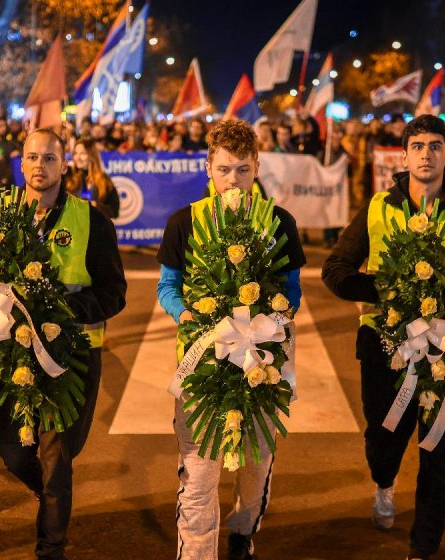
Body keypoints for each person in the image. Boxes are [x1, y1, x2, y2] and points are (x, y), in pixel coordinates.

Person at [322, 115, 445, 560]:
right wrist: (394, 291)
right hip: (384, 347)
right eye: (417, 146)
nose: (426, 154)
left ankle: (423, 547)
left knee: (442, 453)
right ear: (405, 155)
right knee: (384, 437)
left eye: (435, 146)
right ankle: (384, 483)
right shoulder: (378, 208)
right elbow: (335, 271)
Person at [157, 119, 306, 560]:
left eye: (242, 169)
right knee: (200, 480)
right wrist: (186, 314)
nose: (232, 180)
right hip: (202, 370)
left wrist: (276, 315)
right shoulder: (184, 222)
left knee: (254, 470)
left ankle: (243, 531)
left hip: (262, 368)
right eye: (224, 169)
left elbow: (292, 287)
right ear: (208, 167)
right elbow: (169, 285)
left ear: (257, 167)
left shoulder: (279, 221)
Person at [0, 128, 126, 560]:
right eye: (32, 158)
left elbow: (114, 293)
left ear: (64, 165)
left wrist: (61, 310)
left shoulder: (91, 219)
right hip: (12, 354)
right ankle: (50, 497)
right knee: (12, 453)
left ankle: (51, 548)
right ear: (21, 164)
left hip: (73, 356)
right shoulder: (0, 217)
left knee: (57, 454)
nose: (39, 166)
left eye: (49, 158)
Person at [66, 136, 120, 219]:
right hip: (72, 228)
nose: (78, 158)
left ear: (92, 155)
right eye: (75, 153)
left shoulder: (103, 179)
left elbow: (114, 211)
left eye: (83, 153)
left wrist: (96, 205)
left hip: (96, 229)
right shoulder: (68, 175)